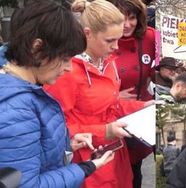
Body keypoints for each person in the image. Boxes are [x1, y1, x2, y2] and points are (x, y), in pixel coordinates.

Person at [0, 1, 114, 187]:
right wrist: (86, 167)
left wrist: (65, 143)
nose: (69, 68)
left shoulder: (24, 90)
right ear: (37, 49)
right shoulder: (15, 110)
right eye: (64, 59)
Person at [45, 1, 150, 187]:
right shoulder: (67, 71)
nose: (116, 46)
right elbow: (55, 126)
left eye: (117, 39)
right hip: (87, 158)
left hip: (114, 153)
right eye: (110, 40)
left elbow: (112, 104)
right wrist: (105, 131)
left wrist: (143, 107)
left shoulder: (107, 61)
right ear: (87, 34)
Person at [107, 0, 155, 101]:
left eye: (132, 18)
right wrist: (114, 97)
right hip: (115, 110)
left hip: (144, 105)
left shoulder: (152, 36)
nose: (127, 25)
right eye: (122, 19)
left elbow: (157, 73)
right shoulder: (103, 40)